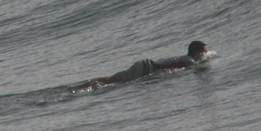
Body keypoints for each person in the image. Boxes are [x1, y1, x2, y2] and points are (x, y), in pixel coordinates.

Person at [67, 41, 209, 91]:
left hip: (146, 64)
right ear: (197, 51)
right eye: (204, 50)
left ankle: (79, 86)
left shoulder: (184, 58)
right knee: (112, 82)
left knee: (110, 79)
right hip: (146, 68)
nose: (206, 53)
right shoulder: (189, 62)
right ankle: (78, 87)